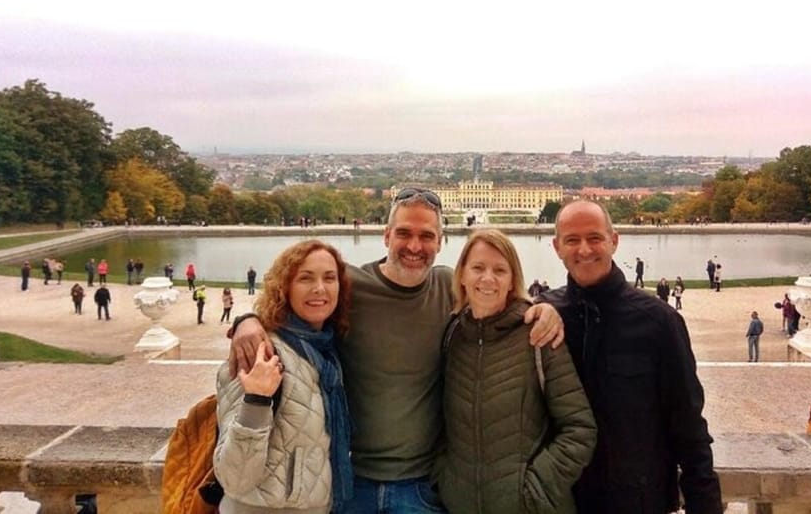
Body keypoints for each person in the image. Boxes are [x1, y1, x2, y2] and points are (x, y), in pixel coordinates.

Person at [231, 187, 562, 513]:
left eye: (427, 235)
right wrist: (247, 321)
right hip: (348, 482)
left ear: (440, 242)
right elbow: (294, 307)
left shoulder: (449, 288)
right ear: (386, 236)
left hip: (421, 485)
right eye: (404, 233)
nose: (415, 246)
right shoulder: (350, 286)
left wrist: (542, 309)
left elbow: (498, 298)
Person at [541, 199, 723, 513]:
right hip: (561, 501)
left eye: (594, 238)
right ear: (557, 247)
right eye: (572, 240)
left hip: (637, 501)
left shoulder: (659, 321)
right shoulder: (543, 313)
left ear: (614, 241)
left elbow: (688, 424)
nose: (584, 249)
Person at [438, 229, 596, 513]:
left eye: (500, 270)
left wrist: (534, 489)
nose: (488, 279)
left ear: (512, 281)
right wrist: (444, 479)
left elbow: (579, 429)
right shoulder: (453, 336)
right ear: (461, 275)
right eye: (477, 268)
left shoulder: (538, 335)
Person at [214, 240, 354, 512]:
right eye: (305, 278)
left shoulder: (325, 349)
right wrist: (256, 400)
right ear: (284, 286)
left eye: (329, 278)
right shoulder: (260, 351)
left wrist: (245, 319)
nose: (319, 288)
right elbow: (233, 478)